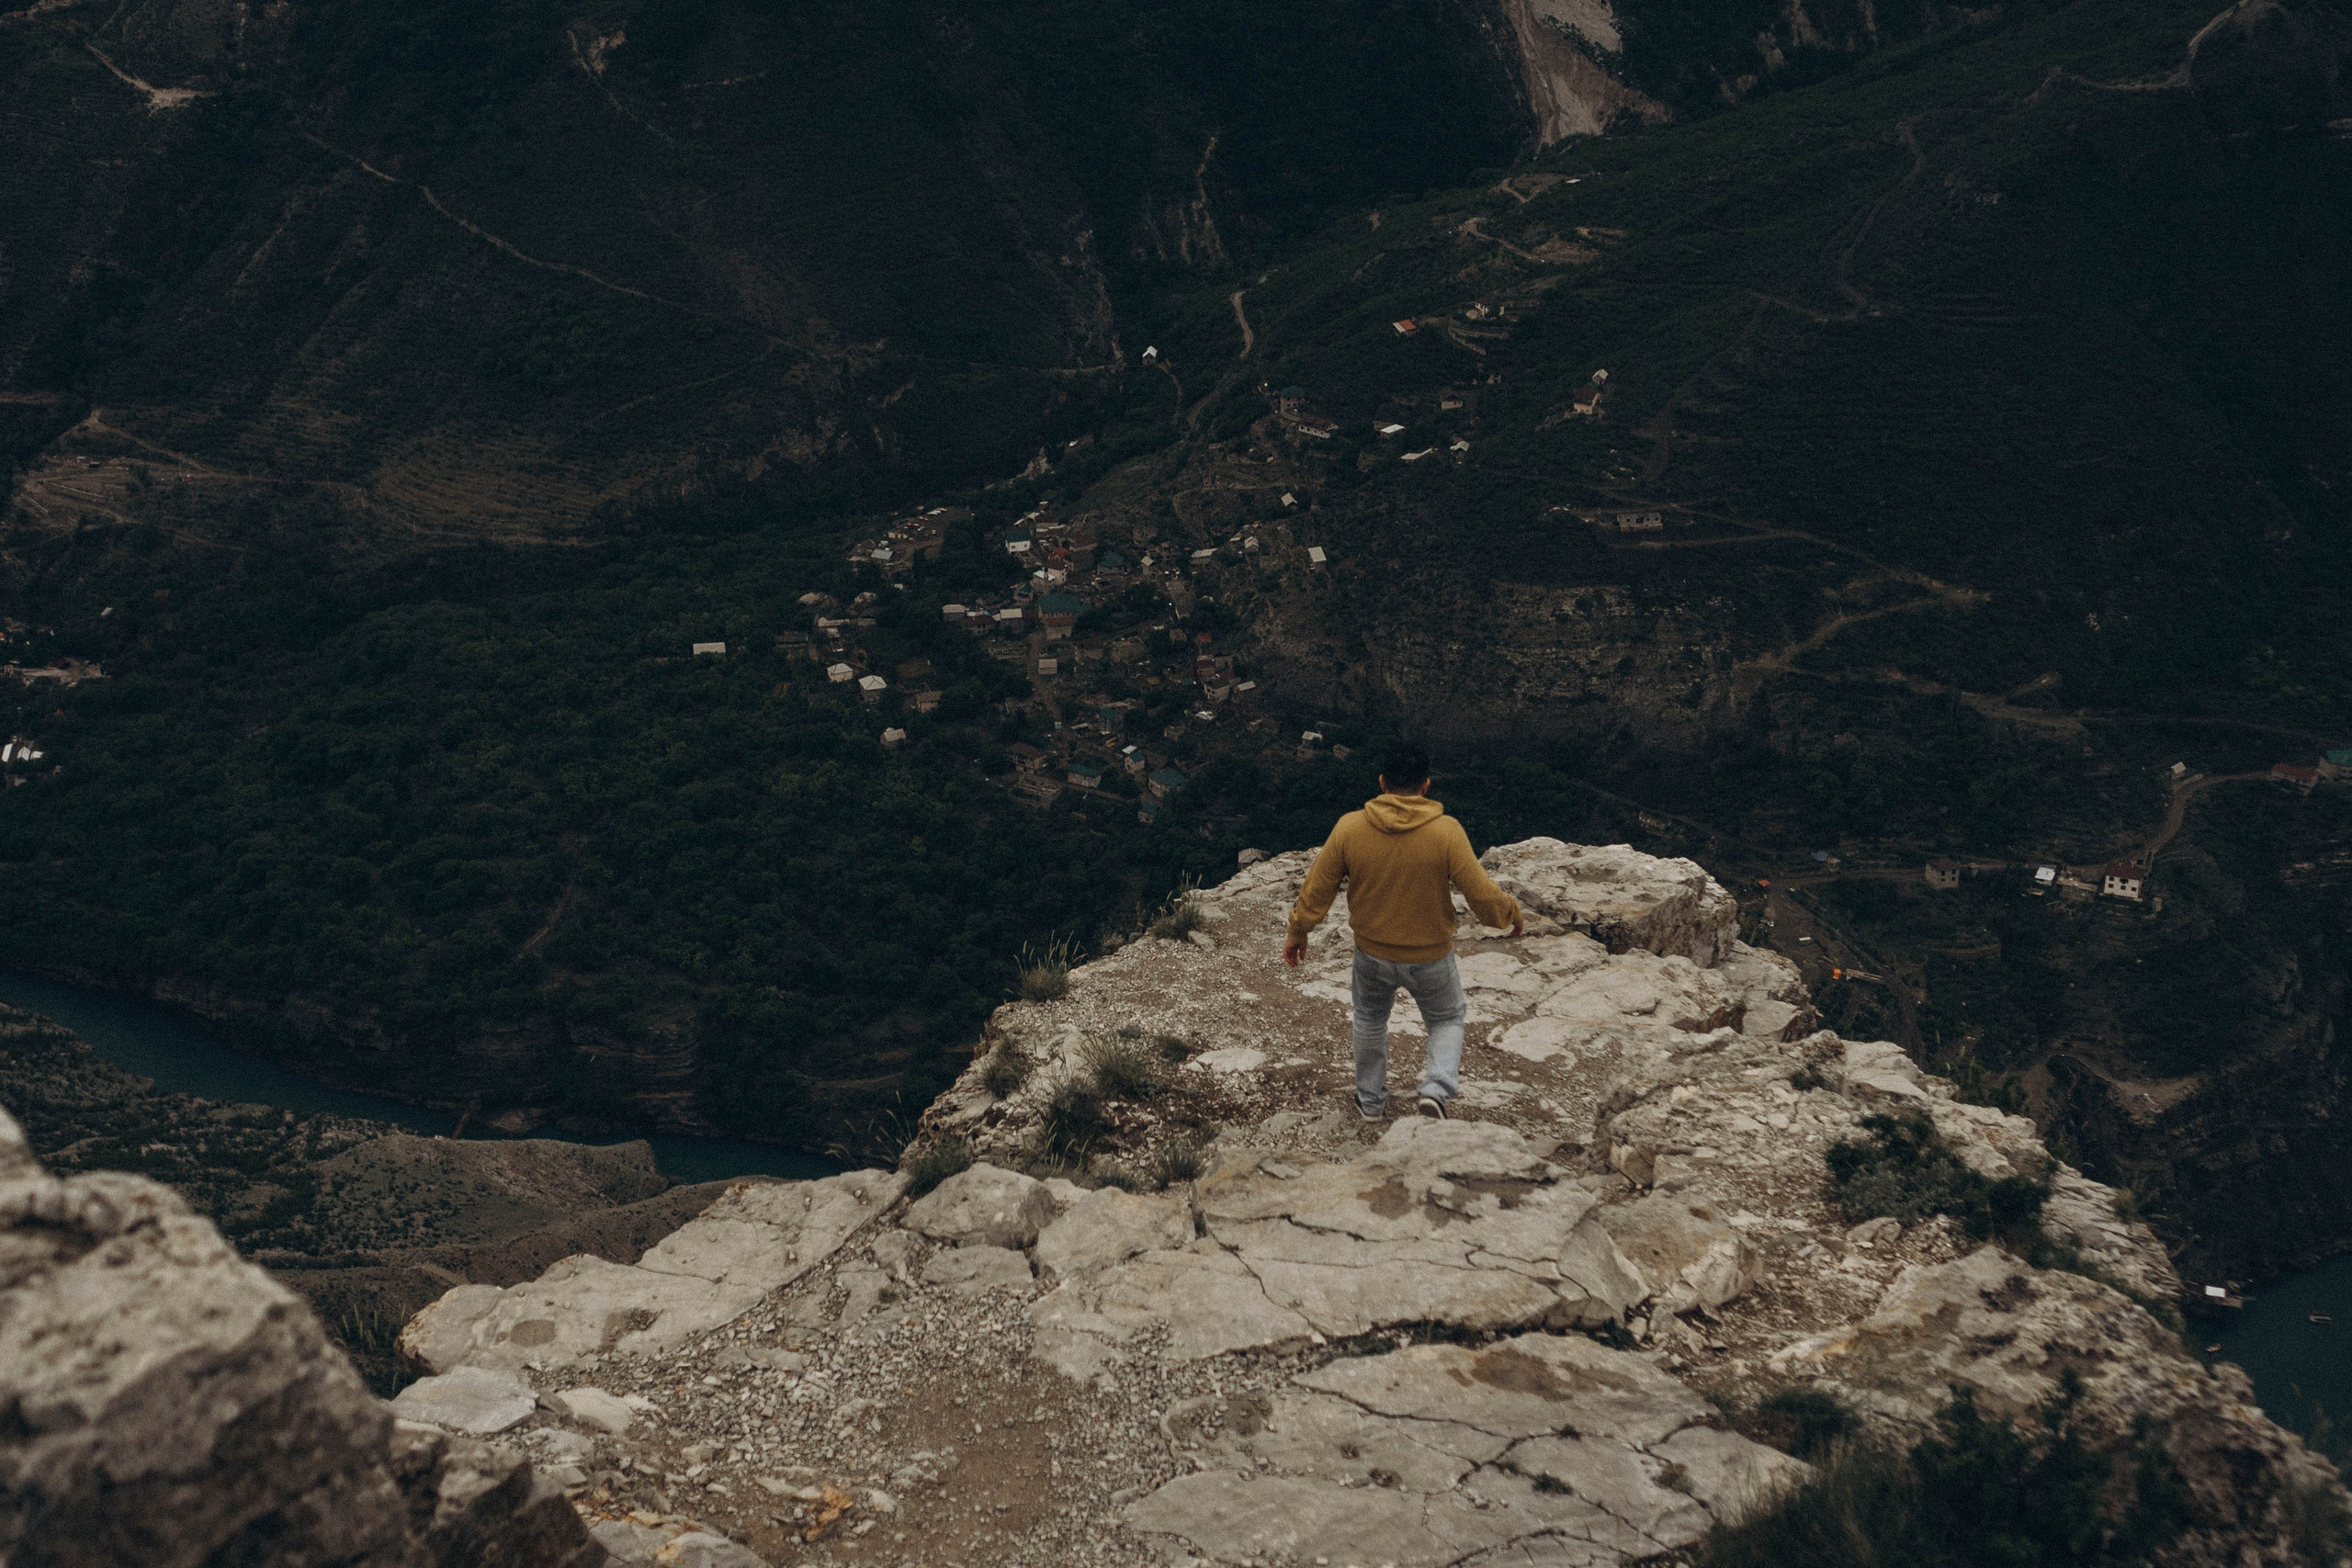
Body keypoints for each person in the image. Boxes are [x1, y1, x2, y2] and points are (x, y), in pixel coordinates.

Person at [1282, 743, 1523, 1119]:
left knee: (1369, 1019)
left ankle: (1371, 1102)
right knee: (1446, 1018)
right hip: (1430, 955)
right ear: (1426, 786)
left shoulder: (1350, 827)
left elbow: (1317, 888)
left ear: (1382, 783)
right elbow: (1480, 892)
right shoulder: (1446, 832)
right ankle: (1435, 1091)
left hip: (1371, 953)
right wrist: (1507, 915)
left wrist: (1299, 930)